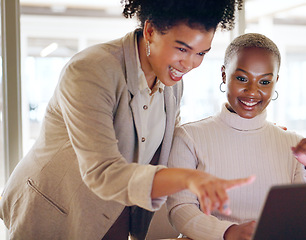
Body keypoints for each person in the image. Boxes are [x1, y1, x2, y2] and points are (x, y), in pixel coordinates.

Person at [0, 0, 252, 239]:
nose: (189, 64)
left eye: (201, 53)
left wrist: (244, 131)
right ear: (150, 31)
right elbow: (103, 172)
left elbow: (169, 143)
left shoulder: (172, 83)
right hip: (57, 209)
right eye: (182, 49)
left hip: (114, 211)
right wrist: (187, 178)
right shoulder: (91, 70)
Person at [166, 33, 306, 240]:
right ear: (224, 75)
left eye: (264, 82)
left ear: (275, 81)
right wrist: (227, 233)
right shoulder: (189, 137)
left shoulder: (292, 144)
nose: (252, 91)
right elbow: (179, 209)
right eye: (242, 78)